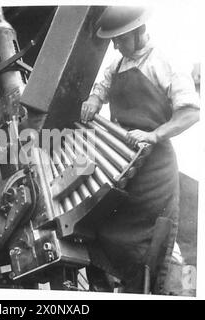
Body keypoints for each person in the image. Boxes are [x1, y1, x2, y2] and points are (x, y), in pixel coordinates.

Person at [80, 6, 200, 294]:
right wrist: (94, 100)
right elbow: (102, 86)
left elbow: (191, 113)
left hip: (155, 170)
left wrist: (154, 135)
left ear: (137, 32)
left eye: (119, 39)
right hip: (121, 162)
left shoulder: (164, 61)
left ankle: (177, 291)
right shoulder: (117, 63)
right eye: (113, 41)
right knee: (106, 231)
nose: (115, 45)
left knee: (157, 243)